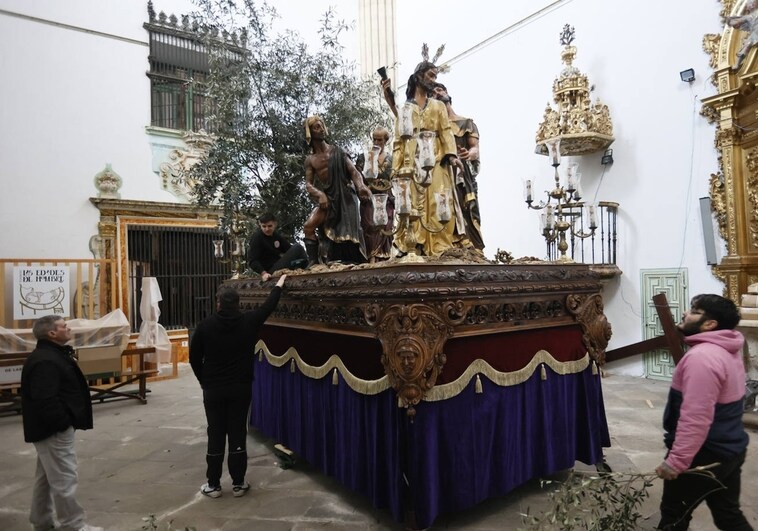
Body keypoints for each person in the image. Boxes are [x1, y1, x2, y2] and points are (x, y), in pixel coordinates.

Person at [655, 294, 753, 531]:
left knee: (674, 516)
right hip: (730, 449)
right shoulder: (727, 348)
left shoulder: (702, 357)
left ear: (710, 324)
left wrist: (676, 462)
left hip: (704, 455)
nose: (685, 314)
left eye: (694, 311)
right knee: (728, 515)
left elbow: (696, 418)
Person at [190, 275, 286, 499]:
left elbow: (194, 359)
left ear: (219, 304)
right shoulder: (249, 322)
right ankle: (238, 483)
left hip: (213, 389)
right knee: (237, 432)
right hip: (240, 388)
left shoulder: (204, 327)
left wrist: (204, 380)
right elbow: (268, 308)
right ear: (238, 304)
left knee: (215, 432)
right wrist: (279, 285)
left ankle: (213, 485)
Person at [21, 315, 103, 531]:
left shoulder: (50, 354)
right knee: (64, 477)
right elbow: (45, 399)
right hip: (53, 430)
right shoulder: (45, 360)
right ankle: (73, 525)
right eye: (64, 326)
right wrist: (63, 422)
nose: (69, 328)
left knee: (46, 477)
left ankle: (41, 520)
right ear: (51, 333)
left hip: (48, 428)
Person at [392, 59, 465, 257]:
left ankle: (440, 247)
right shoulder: (406, 109)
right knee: (412, 205)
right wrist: (396, 168)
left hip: (436, 161)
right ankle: (413, 245)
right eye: (431, 76)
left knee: (438, 201)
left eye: (435, 76)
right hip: (412, 163)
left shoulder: (438, 106)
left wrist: (452, 156)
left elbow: (446, 132)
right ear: (418, 77)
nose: (433, 80)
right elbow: (399, 140)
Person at [302, 115, 371, 266]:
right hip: (329, 198)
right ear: (310, 132)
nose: (321, 129)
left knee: (347, 237)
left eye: (322, 126)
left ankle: (350, 262)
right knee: (309, 226)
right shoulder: (311, 160)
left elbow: (353, 172)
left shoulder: (338, 152)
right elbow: (308, 184)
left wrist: (360, 186)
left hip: (346, 198)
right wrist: (320, 194)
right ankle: (313, 264)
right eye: (316, 127)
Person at [433, 82, 484, 251]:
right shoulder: (434, 127)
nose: (437, 94)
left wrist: (469, 154)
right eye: (433, 93)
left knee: (468, 209)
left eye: (439, 90)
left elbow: (475, 148)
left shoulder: (466, 123)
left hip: (463, 174)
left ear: (447, 93)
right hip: (442, 174)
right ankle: (450, 246)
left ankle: (474, 248)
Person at [359, 126, 394, 262]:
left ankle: (384, 258)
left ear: (385, 141)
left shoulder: (391, 159)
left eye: (379, 140)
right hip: (369, 197)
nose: (376, 142)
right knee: (370, 226)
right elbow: (358, 178)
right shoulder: (364, 157)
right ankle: (371, 258)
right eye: (374, 139)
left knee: (386, 225)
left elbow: (394, 178)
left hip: (386, 197)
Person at [247, 213, 307, 280]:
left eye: (269, 226)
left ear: (275, 224)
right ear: (260, 225)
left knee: (300, 256)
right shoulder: (257, 237)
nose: (267, 229)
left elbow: (289, 250)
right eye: (264, 226)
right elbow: (252, 261)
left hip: (280, 264)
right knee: (297, 247)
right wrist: (263, 273)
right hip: (271, 271)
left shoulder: (276, 236)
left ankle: (308, 268)